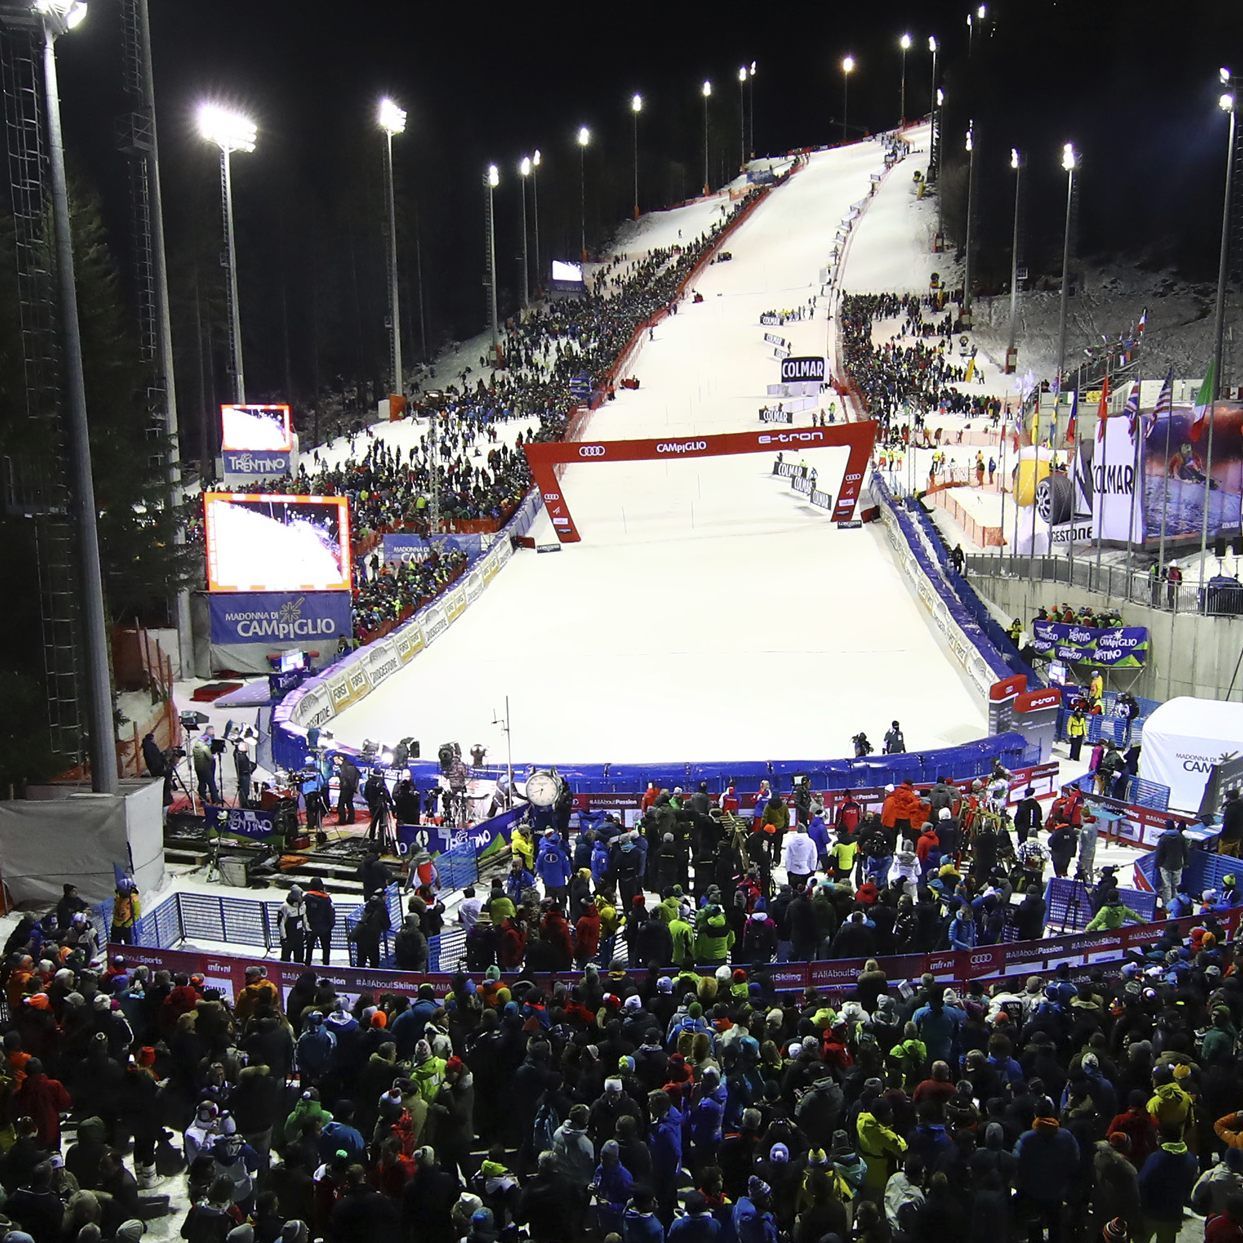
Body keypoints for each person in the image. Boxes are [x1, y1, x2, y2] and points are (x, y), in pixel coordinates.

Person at [304, 876, 335, 965]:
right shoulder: (326, 898)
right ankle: (326, 965)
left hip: (311, 927)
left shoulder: (307, 898)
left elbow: (303, 911)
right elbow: (331, 912)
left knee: (309, 948)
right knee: (326, 948)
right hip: (325, 928)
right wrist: (330, 925)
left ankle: (307, 964)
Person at [336, 757, 360, 825]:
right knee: (349, 803)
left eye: (335, 759)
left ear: (340, 758)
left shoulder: (345, 767)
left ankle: (342, 820)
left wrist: (340, 777)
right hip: (351, 788)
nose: (335, 761)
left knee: (341, 804)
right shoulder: (350, 766)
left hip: (345, 788)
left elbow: (345, 777)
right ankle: (350, 820)